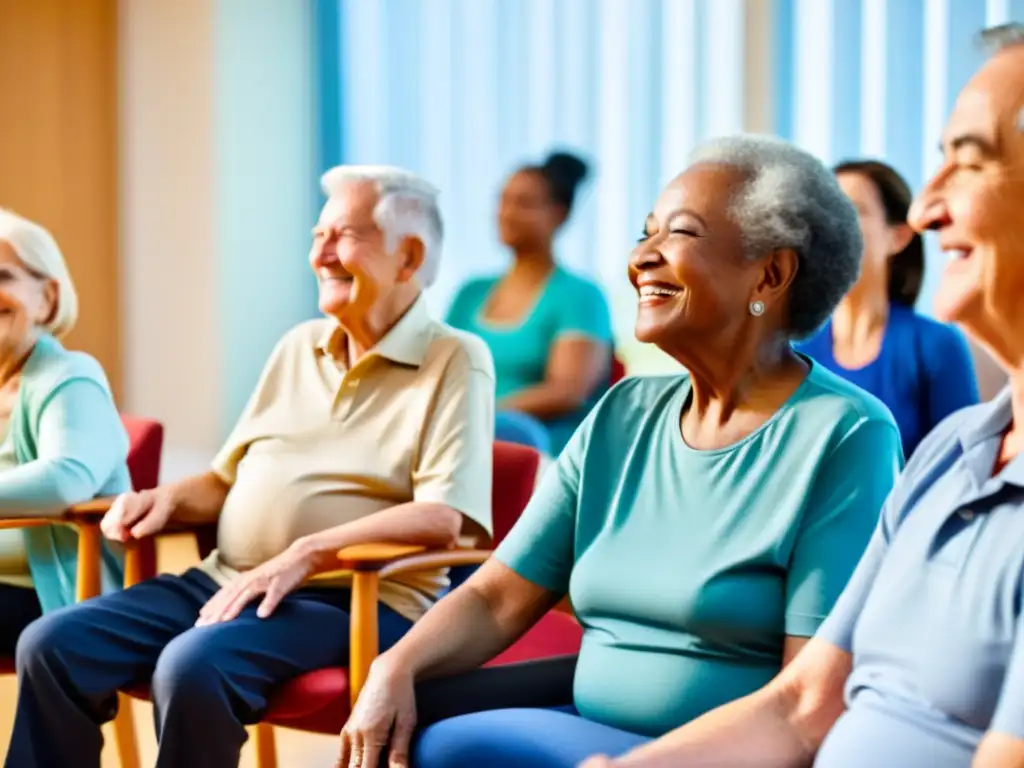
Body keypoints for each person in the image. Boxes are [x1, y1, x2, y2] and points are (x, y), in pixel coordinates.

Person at [338, 135, 904, 768]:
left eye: (680, 234)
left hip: (706, 755)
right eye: (645, 233)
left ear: (770, 274)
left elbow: (807, 702)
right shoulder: (621, 414)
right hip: (582, 720)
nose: (643, 257)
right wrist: (393, 666)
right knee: (413, 728)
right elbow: (497, 597)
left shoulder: (846, 433)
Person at [579, 23, 1024, 768]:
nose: (924, 212)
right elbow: (804, 702)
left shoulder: (865, 419)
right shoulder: (950, 454)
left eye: (970, 163)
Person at [6, 167, 496, 768]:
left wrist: (305, 553)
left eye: (342, 235)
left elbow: (443, 519)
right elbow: (226, 480)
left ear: (408, 255)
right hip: (232, 581)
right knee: (51, 643)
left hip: (357, 600)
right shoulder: (298, 346)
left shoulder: (455, 358)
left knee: (193, 664)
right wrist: (166, 499)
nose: (320, 254)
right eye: (316, 235)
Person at [0, 209, 129, 655]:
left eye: (3, 276)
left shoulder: (69, 376)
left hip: (50, 594)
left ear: (47, 298)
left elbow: (65, 479)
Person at [797, 159, 979, 458]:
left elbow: (964, 468)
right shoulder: (791, 350)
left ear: (899, 237)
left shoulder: (937, 346)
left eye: (853, 210)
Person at [446, 151, 613, 455]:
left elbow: (567, 391)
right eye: (503, 200)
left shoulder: (582, 296)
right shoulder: (470, 292)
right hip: (465, 443)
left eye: (523, 203)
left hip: (541, 451)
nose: (506, 212)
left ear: (559, 214)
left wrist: (478, 414)